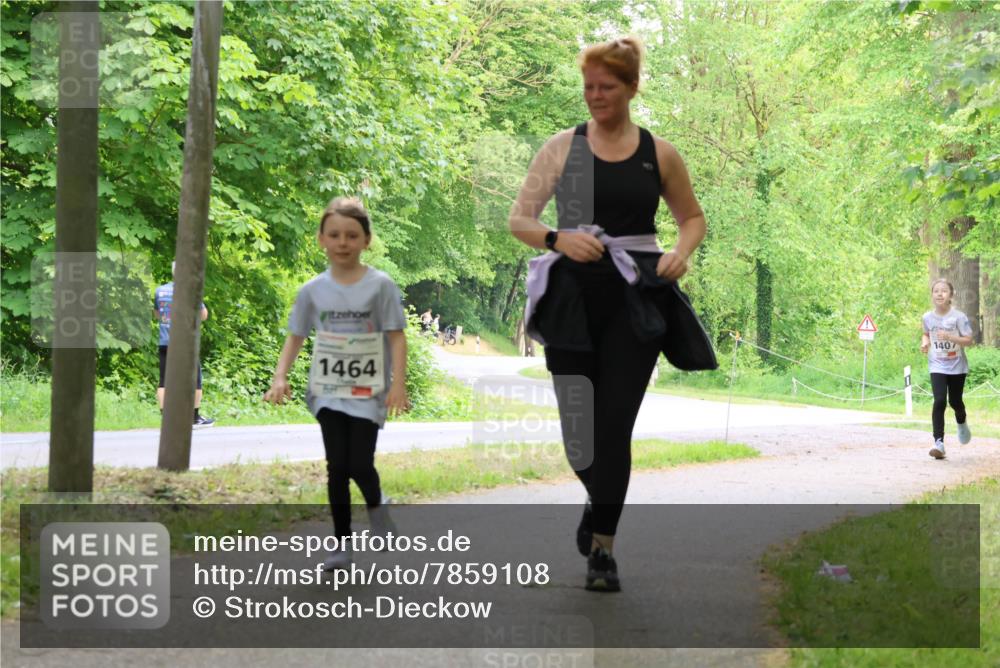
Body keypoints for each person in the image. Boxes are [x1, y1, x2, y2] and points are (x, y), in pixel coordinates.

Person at [509, 36, 715, 591]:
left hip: (634, 296)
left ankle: (603, 550)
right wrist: (558, 237)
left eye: (607, 87)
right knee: (580, 437)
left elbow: (692, 218)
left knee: (615, 425)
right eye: (589, 88)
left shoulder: (659, 153)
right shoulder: (560, 148)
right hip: (571, 298)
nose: (595, 97)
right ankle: (598, 497)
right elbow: (520, 219)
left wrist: (680, 251)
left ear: (631, 88)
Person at [263, 196, 409, 571]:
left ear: (366, 240)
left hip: (368, 389)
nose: (343, 242)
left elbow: (396, 336)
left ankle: (377, 507)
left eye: (351, 235)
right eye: (334, 235)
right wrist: (280, 376)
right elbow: (295, 336)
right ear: (321, 240)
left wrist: (398, 384)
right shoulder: (312, 290)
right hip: (327, 389)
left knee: (360, 462)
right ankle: (342, 546)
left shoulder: (381, 286)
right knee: (336, 467)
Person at [154, 261, 214, 428]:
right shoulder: (191, 290)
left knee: (164, 381)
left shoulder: (160, 291)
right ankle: (194, 417)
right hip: (186, 343)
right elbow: (203, 315)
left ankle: (165, 417)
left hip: (165, 341)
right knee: (195, 380)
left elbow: (157, 314)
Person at [920, 278, 974, 460]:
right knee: (940, 400)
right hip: (937, 364)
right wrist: (925, 343)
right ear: (932, 295)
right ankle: (938, 443)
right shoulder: (927, 317)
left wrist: (951, 337)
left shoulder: (959, 317)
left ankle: (962, 421)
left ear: (950, 295)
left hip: (957, 365)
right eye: (936, 291)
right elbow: (926, 333)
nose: (940, 294)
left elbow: (968, 340)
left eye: (944, 291)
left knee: (955, 402)